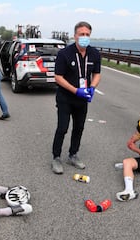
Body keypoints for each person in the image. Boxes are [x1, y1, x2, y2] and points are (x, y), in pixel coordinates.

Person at [51, 21, 101, 174]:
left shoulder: (94, 53)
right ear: (75, 36)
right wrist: (75, 90)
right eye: (81, 34)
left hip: (82, 99)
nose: (84, 37)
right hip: (65, 97)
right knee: (63, 128)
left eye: (87, 34)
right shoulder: (64, 53)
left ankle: (73, 154)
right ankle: (56, 157)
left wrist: (92, 88)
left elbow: (97, 74)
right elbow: (58, 77)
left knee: (79, 128)